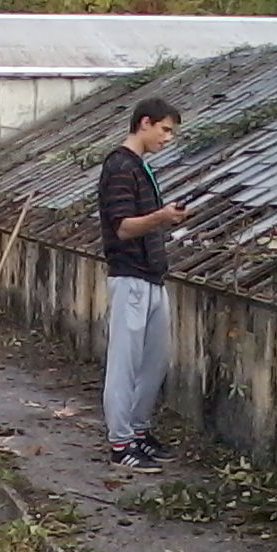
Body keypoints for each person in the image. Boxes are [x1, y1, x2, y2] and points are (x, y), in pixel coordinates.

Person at [97, 98, 185, 473]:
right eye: (164, 130)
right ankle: (120, 444)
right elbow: (123, 227)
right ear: (144, 123)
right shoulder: (120, 167)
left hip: (151, 275)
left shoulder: (140, 167)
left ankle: (137, 430)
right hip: (130, 275)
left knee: (153, 362)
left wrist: (163, 218)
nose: (167, 138)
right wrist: (161, 216)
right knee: (125, 364)